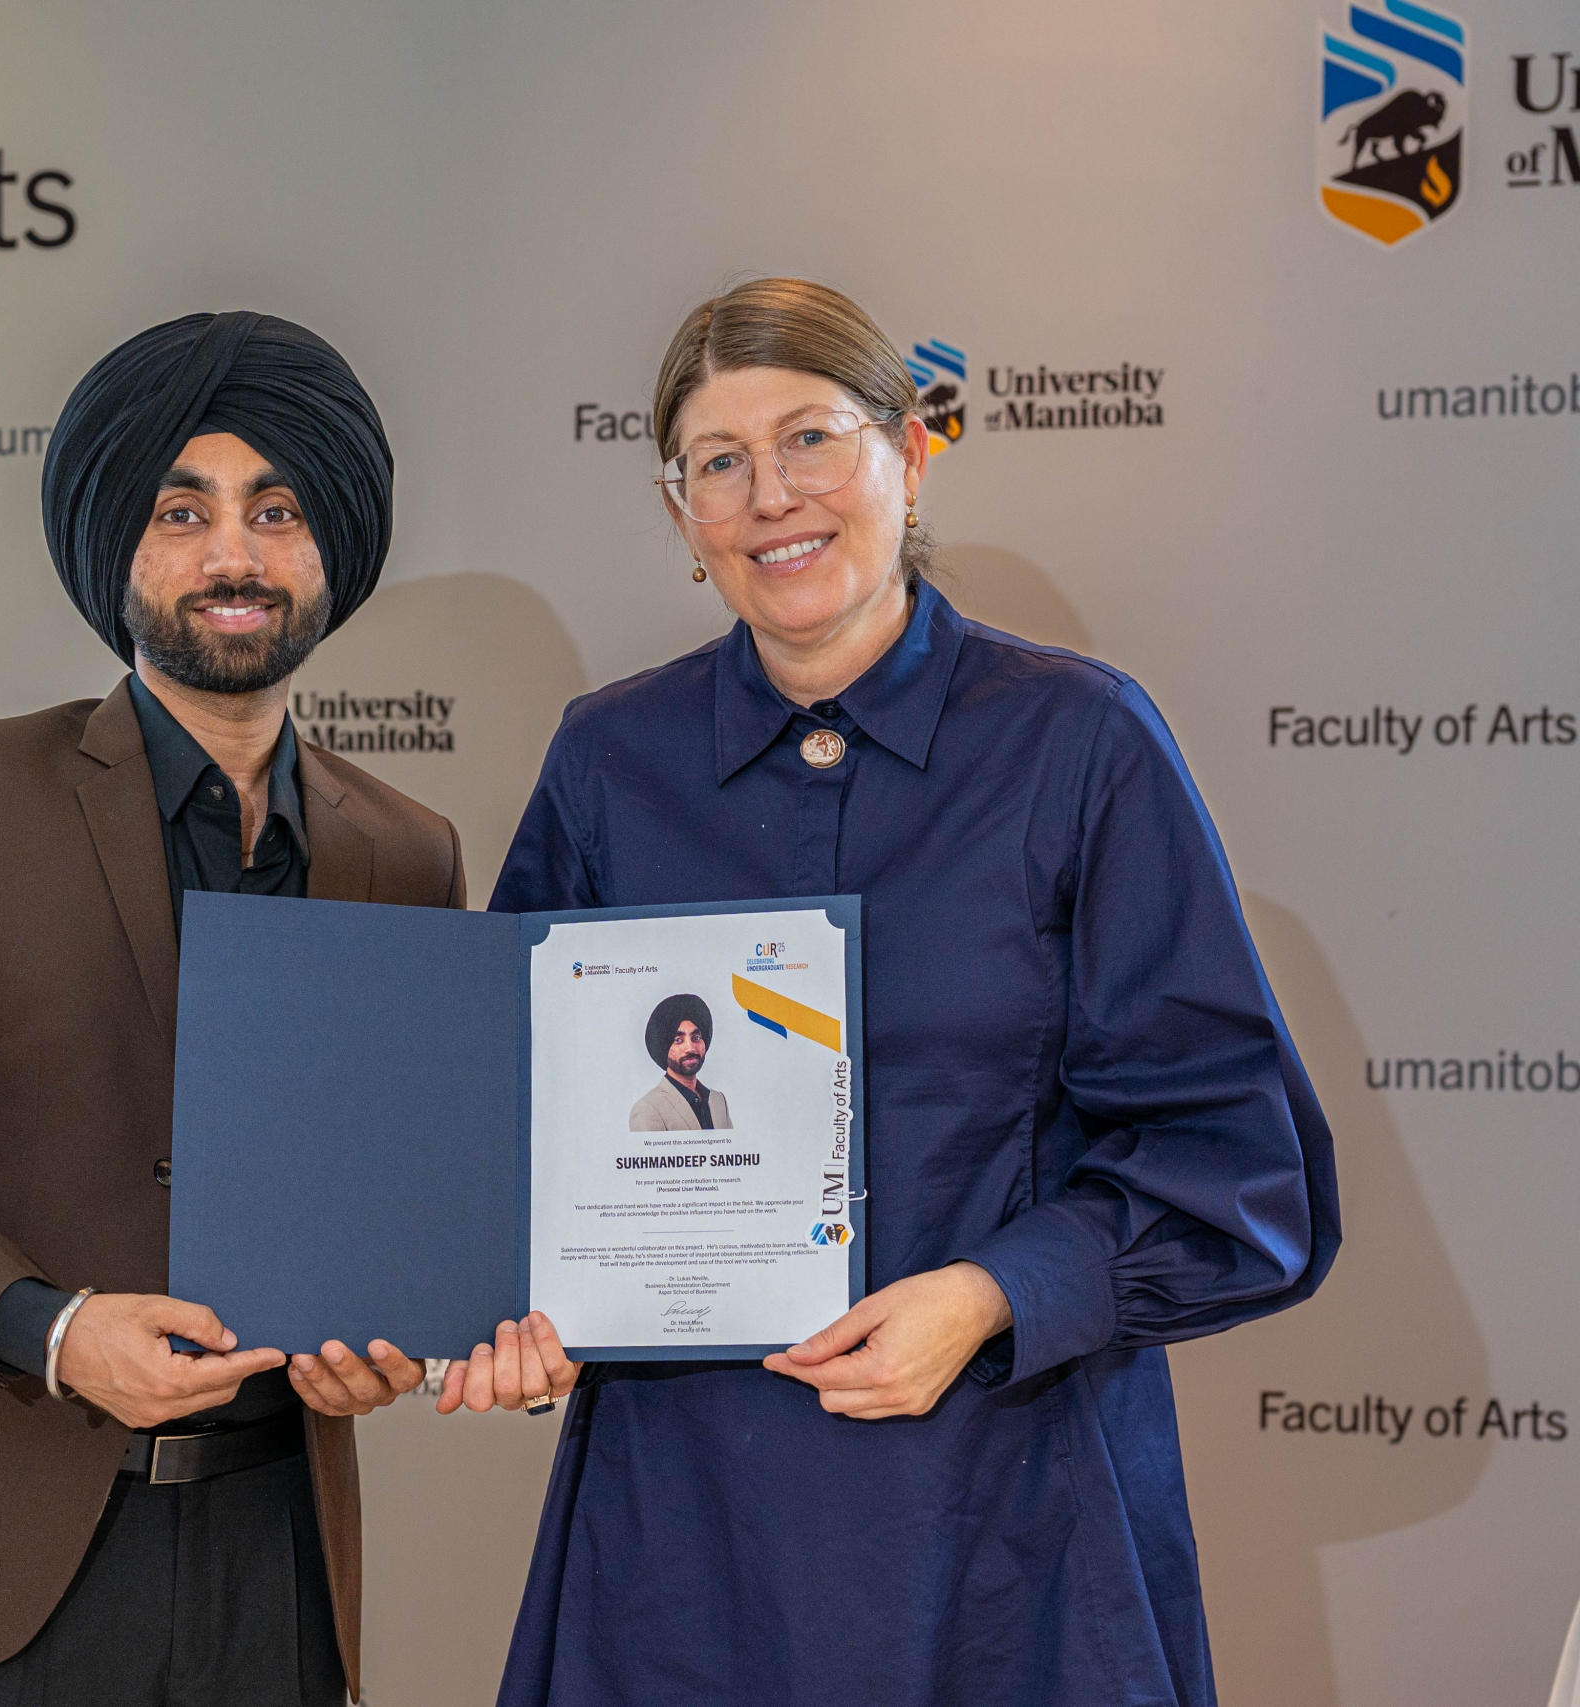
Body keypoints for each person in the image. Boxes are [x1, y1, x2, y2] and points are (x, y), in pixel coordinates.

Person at [461, 278, 1340, 1705]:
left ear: (909, 452)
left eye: (812, 437)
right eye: (719, 463)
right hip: (684, 1539)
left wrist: (998, 1289)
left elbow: (1239, 1170)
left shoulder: (1083, 743)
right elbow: (514, 1133)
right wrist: (500, 1303)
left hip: (1008, 1522)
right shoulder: (610, 761)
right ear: (681, 513)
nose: (771, 498)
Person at [0, 311, 464, 1707]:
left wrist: (383, 1340)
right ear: (119, 547)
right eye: (180, 509)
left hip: (276, 1561)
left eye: (275, 510)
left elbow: (397, 1191)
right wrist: (50, 1321)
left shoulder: (408, 850)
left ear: (329, 547)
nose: (233, 554)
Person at [628, 993, 731, 1131]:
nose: (690, 1048)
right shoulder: (648, 1109)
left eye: (696, 1038)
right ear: (663, 1047)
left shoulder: (718, 1101)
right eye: (678, 1040)